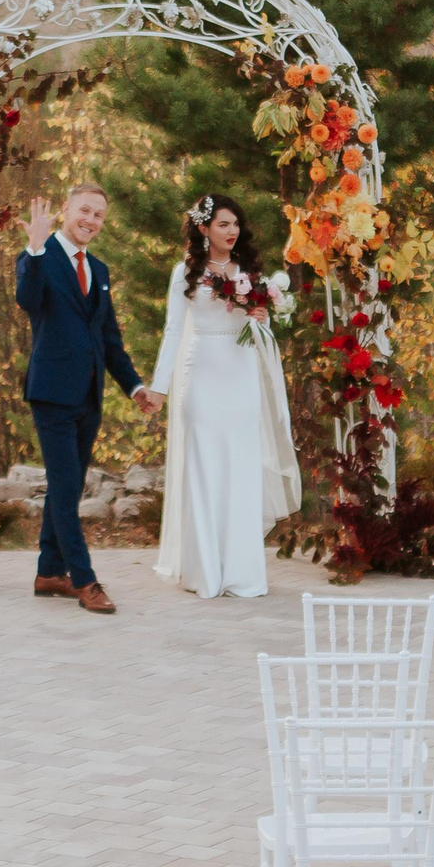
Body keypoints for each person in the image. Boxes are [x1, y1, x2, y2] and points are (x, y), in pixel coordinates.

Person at [15, 183, 162, 614]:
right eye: (84, 210)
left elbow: (109, 340)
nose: (91, 221)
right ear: (65, 210)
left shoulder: (98, 269)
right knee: (64, 486)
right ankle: (83, 579)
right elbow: (28, 300)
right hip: (51, 393)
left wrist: (135, 387)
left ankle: (49, 572)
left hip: (89, 395)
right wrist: (36, 247)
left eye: (98, 215)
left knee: (70, 486)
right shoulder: (38, 257)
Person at [150, 194, 302, 599]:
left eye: (235, 223)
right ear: (203, 228)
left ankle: (241, 571)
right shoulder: (184, 272)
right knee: (204, 467)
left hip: (241, 373)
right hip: (201, 372)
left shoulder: (251, 271)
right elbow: (172, 331)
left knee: (241, 467)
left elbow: (260, 330)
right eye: (222, 224)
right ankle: (205, 572)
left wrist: (262, 317)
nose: (231, 231)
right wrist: (159, 387)